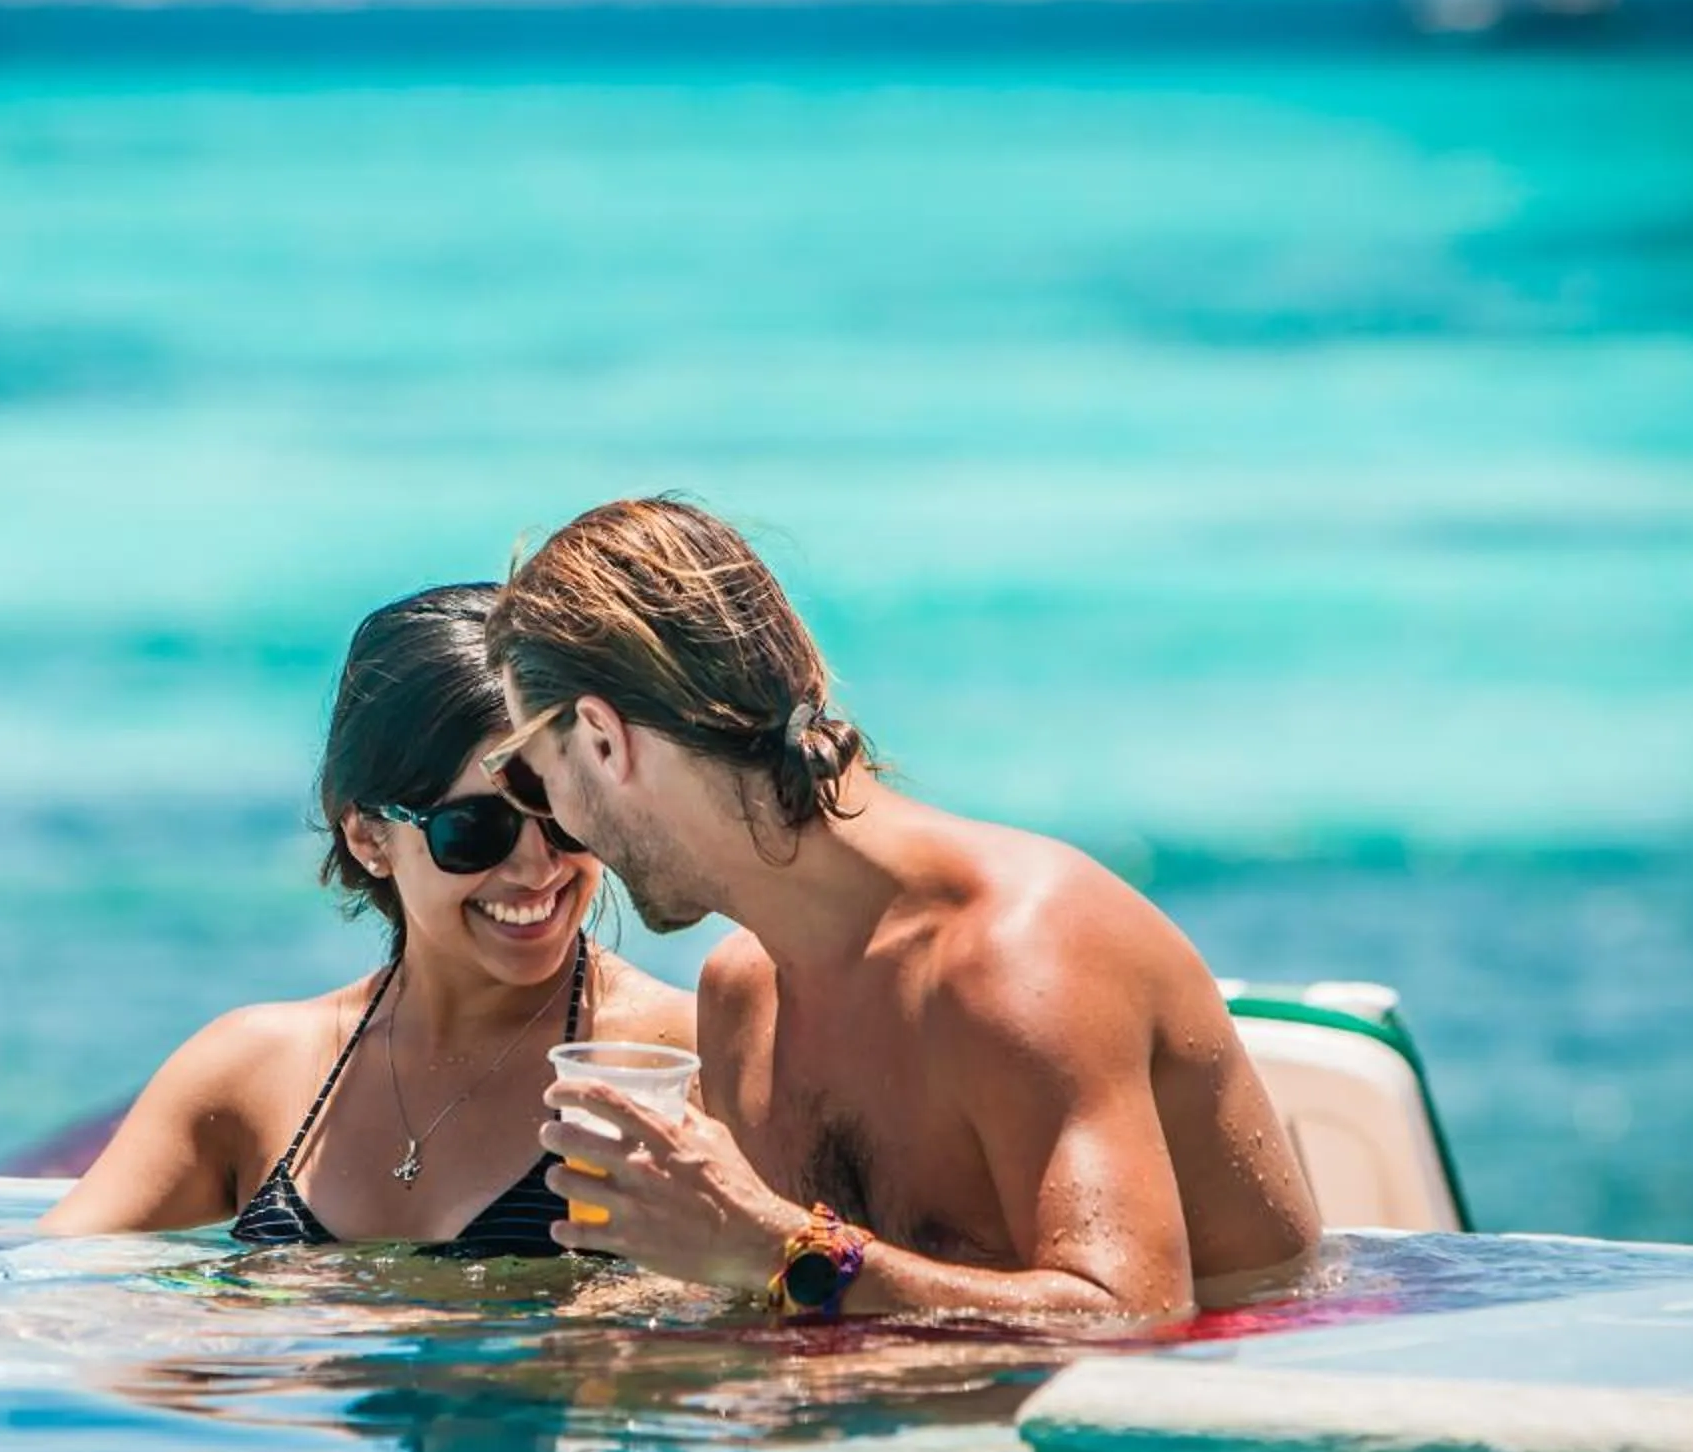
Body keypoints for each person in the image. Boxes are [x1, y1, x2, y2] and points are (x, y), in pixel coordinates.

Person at [481, 498, 1321, 1323]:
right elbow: (801, 1320)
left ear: (601, 739)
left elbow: (1131, 1315)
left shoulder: (1019, 955)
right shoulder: (744, 1002)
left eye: (530, 777)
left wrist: (778, 1248)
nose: (557, 830)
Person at [0, 582, 695, 1257]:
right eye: (477, 830)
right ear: (372, 837)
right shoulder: (257, 1071)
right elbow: (16, 1293)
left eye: (565, 817)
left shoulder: (678, 1059)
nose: (537, 866)